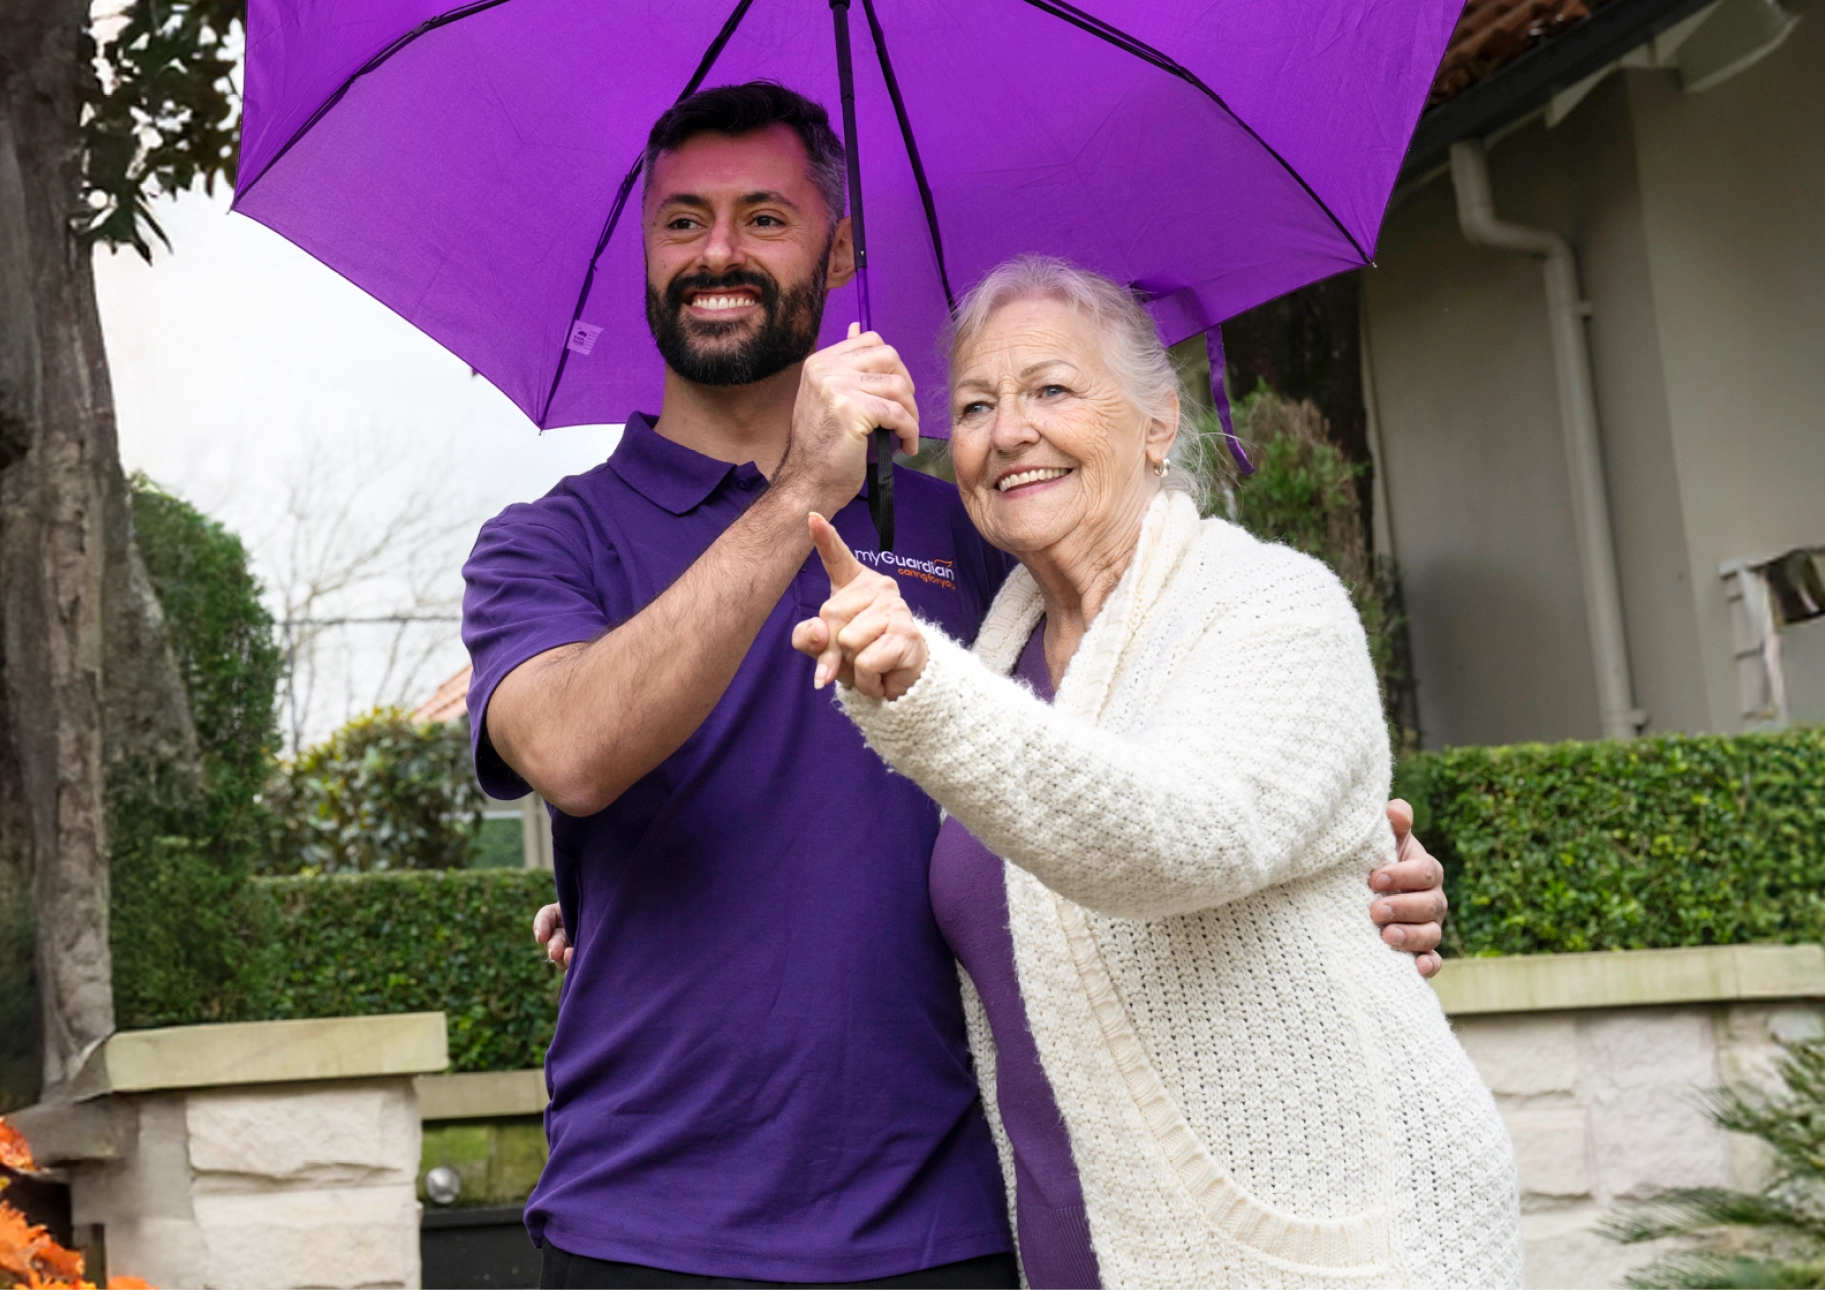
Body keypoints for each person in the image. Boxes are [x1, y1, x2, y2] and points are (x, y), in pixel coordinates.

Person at [465, 82, 1452, 1290]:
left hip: (951, 1222)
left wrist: (1351, 875)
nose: (717, 251)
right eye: (682, 221)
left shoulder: (976, 527)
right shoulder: (547, 542)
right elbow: (570, 754)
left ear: (840, 252)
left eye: (764, 217)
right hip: (648, 1223)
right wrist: (798, 498)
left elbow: (1150, 763)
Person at [793, 255, 1524, 1288]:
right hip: (1075, 1256)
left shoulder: (1270, 606)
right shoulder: (994, 650)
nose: (1008, 433)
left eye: (1051, 388)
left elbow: (1184, 834)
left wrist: (920, 681)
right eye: (973, 405)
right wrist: (605, 912)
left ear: (1157, 422)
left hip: (1320, 1255)